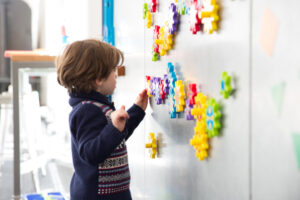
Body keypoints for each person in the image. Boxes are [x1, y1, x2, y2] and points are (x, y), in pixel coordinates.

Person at [56, 39, 148, 200]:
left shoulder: (98, 105)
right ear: (98, 78)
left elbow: (115, 138)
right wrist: (113, 128)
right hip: (97, 195)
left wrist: (137, 110)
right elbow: (90, 153)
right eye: (113, 70)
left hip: (113, 192)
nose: (116, 74)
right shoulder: (87, 110)